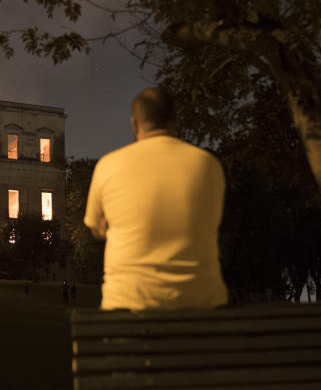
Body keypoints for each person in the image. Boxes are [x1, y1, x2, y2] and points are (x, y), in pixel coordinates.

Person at [84, 87, 228, 310]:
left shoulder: (108, 165)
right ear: (176, 120)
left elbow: (96, 228)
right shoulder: (208, 164)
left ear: (134, 124)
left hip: (128, 309)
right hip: (201, 312)